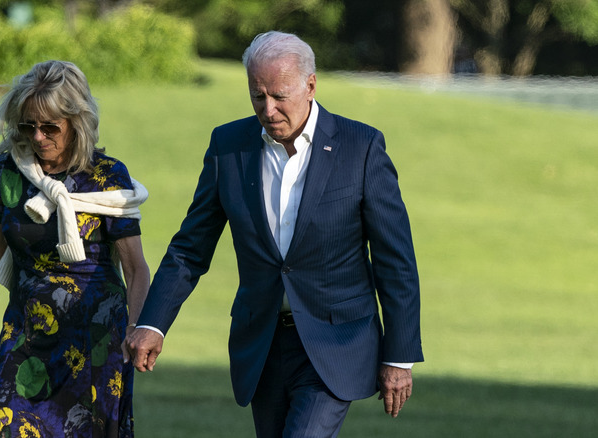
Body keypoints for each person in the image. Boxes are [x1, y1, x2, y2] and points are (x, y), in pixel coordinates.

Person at [126, 31, 423, 437]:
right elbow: (190, 249)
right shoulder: (228, 146)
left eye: (280, 96)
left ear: (311, 85)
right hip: (262, 344)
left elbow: (395, 259)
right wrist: (154, 323)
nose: (268, 109)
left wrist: (400, 357)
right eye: (257, 96)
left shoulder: (362, 147)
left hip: (337, 342)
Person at [0, 60, 150, 438]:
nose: (37, 137)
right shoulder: (7, 172)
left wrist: (136, 331)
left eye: (50, 127)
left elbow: (136, 269)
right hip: (24, 334)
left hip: (95, 344)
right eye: (28, 125)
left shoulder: (108, 178)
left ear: (77, 122)